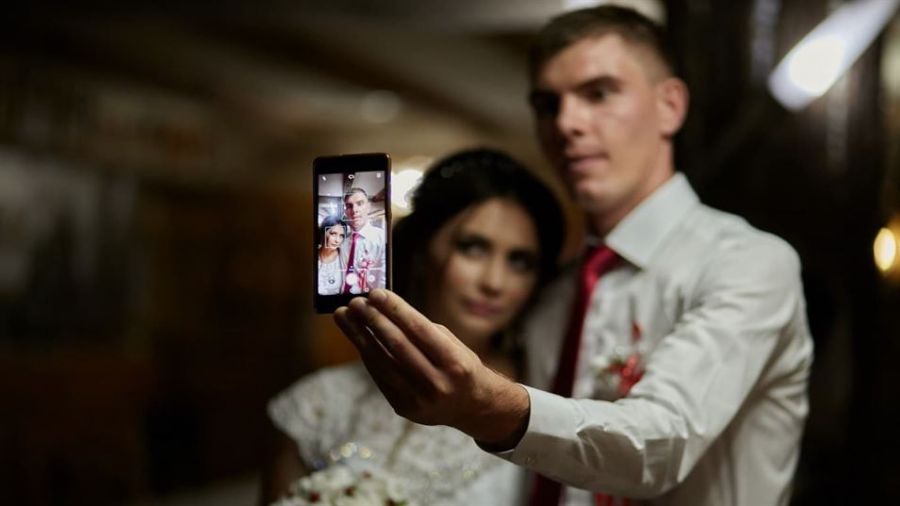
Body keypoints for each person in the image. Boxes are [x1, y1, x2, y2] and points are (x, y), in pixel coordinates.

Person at [334, 5, 814, 506]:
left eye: (598, 93)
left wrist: (492, 409)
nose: (567, 123)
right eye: (547, 105)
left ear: (670, 105)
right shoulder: (553, 291)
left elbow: (662, 443)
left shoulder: (748, 263)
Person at [260, 148, 565, 505]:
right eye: (473, 248)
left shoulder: (544, 408)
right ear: (422, 251)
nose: (495, 282)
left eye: (519, 261)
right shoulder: (319, 404)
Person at [340, 187, 386, 294]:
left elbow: (384, 282)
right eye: (349, 206)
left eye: (360, 203)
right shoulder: (343, 243)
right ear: (345, 211)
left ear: (368, 207)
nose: (354, 210)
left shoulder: (382, 238)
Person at [317, 215, 347, 296]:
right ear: (323, 232)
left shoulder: (344, 258)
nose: (337, 240)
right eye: (333, 234)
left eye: (341, 236)